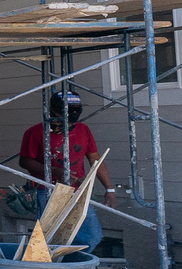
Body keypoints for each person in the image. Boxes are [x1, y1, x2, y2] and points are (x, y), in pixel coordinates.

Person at [18, 90, 118, 254]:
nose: (75, 113)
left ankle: (75, 264)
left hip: (77, 192)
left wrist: (110, 189)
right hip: (48, 191)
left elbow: (96, 160)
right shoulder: (36, 132)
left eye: (78, 109)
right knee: (50, 236)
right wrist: (55, 171)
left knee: (91, 235)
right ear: (55, 111)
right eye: (70, 109)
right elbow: (25, 161)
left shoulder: (83, 130)